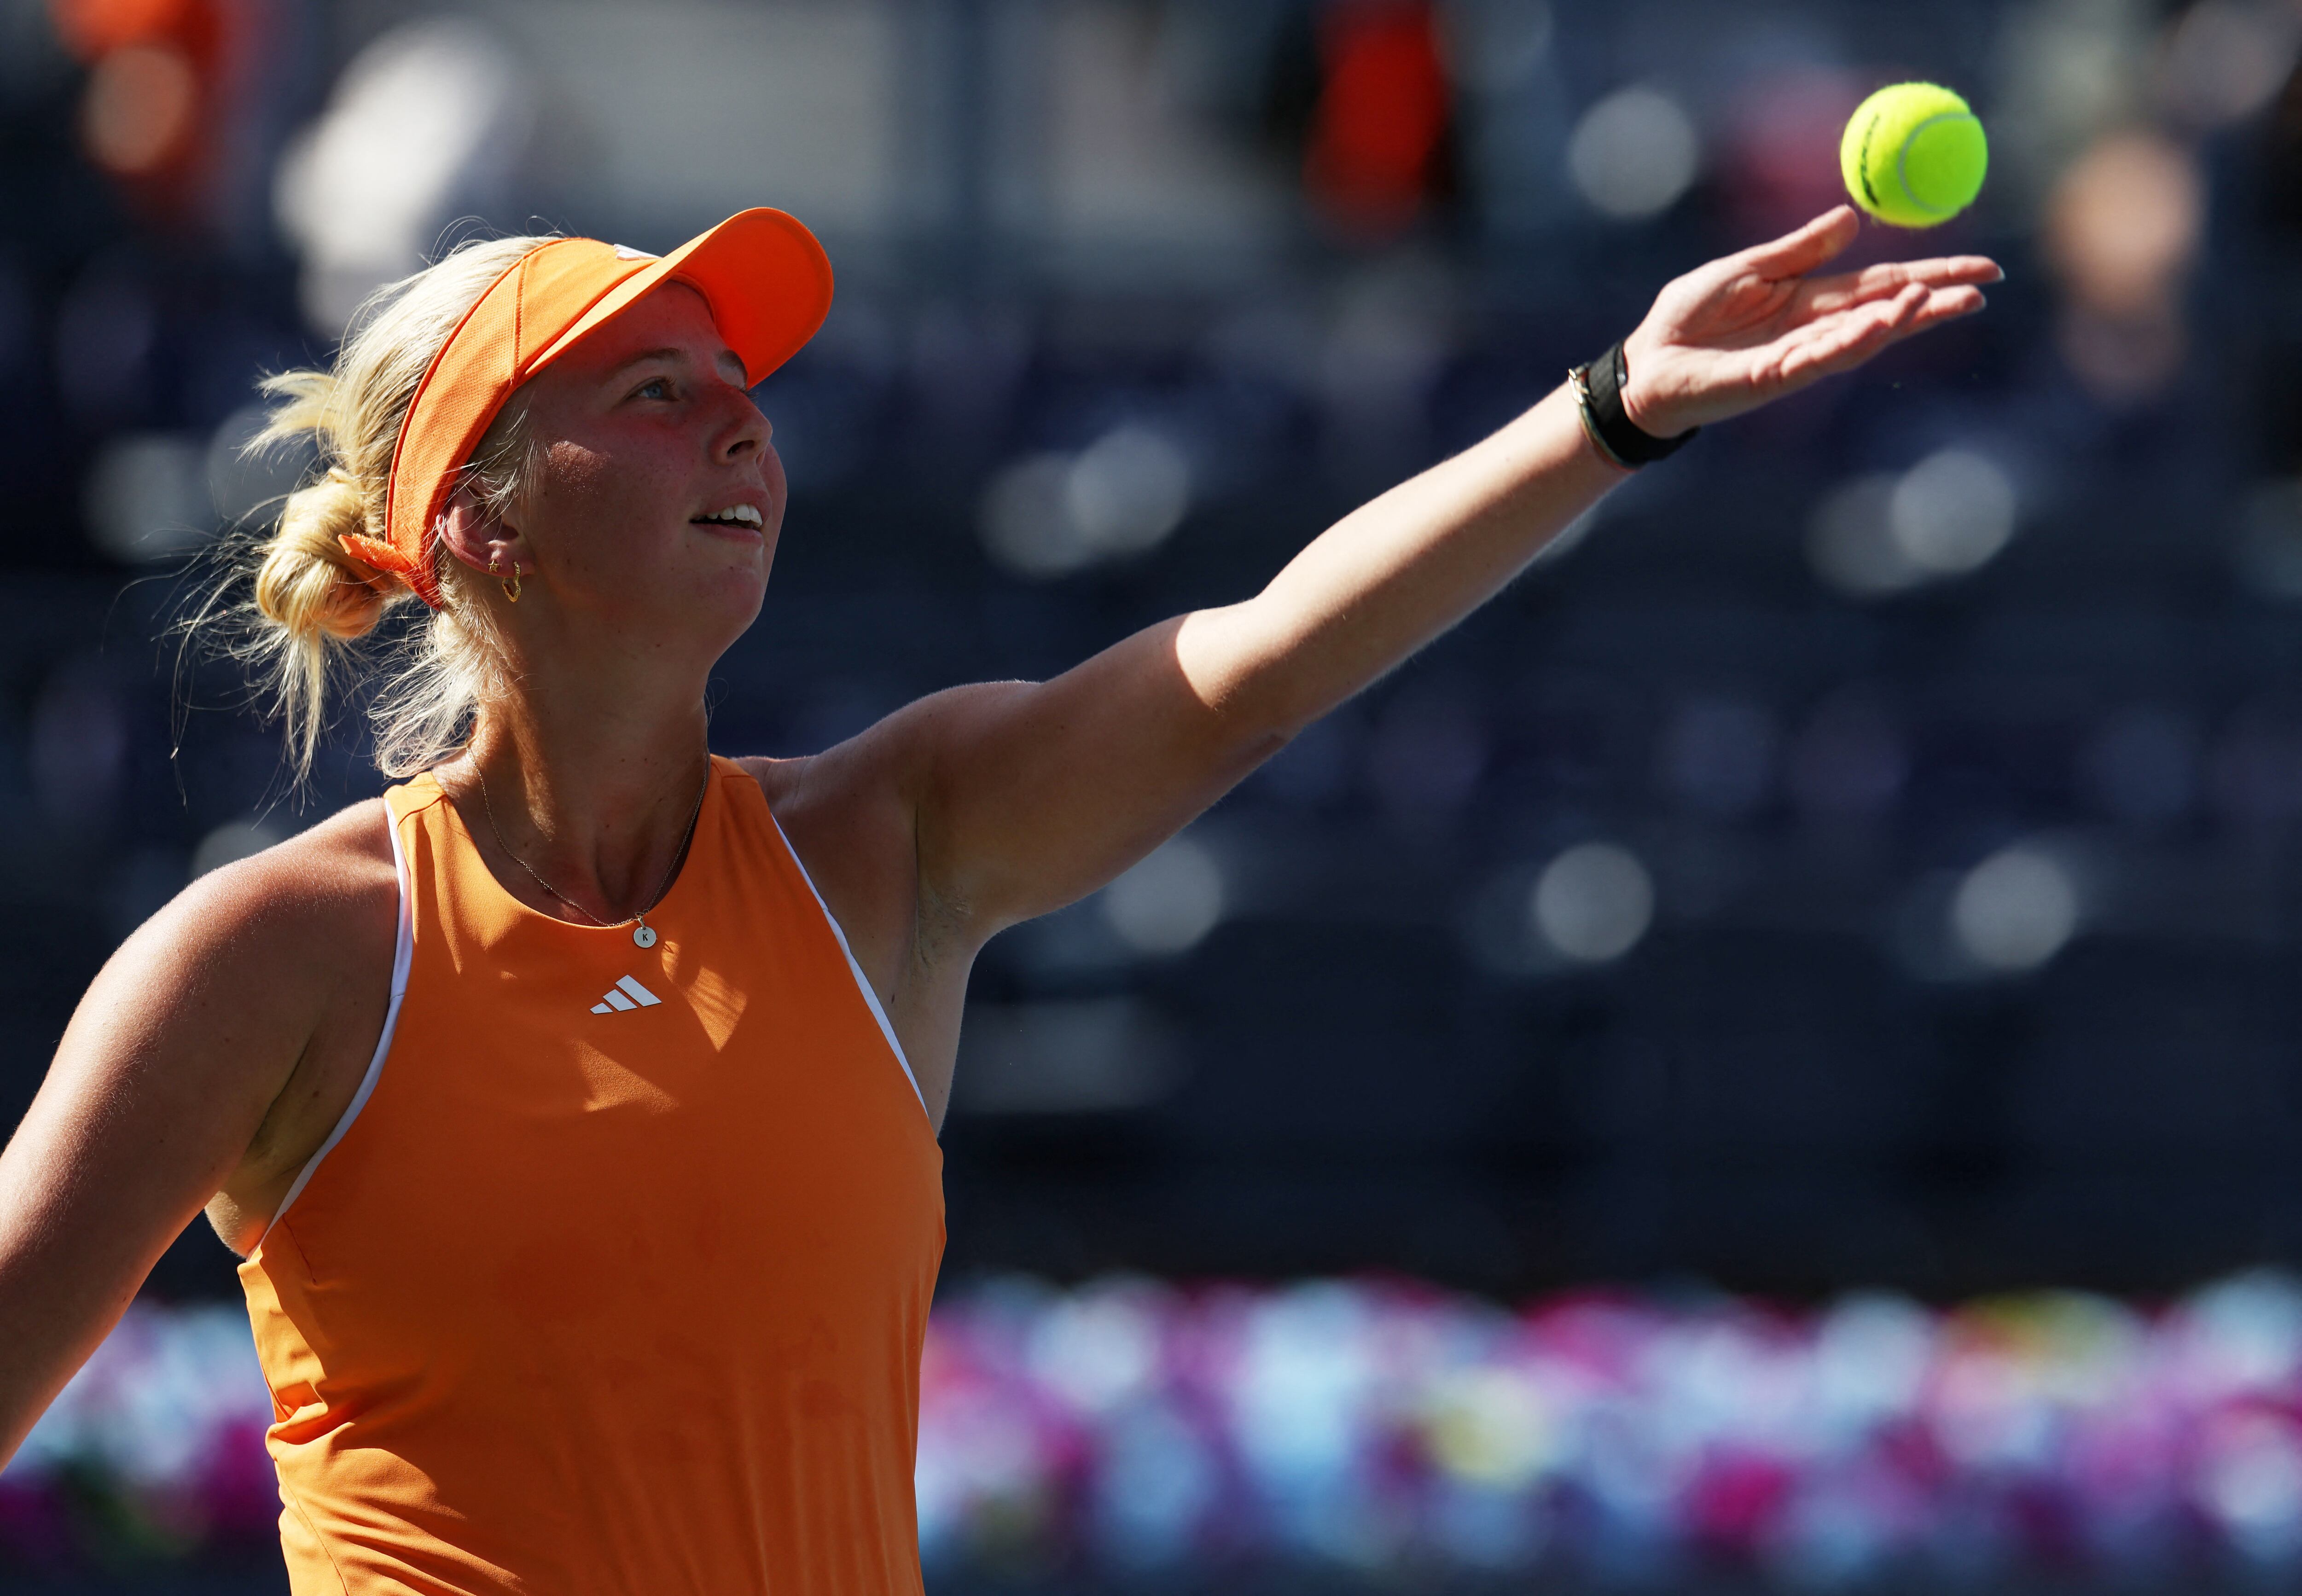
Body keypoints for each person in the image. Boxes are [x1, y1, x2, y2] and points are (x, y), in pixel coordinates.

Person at [0, 203, 1996, 1592]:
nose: (739, 419)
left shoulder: (887, 844)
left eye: (737, 381)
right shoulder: (276, 955)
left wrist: (1610, 409)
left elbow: (1269, 653)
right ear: (473, 521)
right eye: (652, 393)